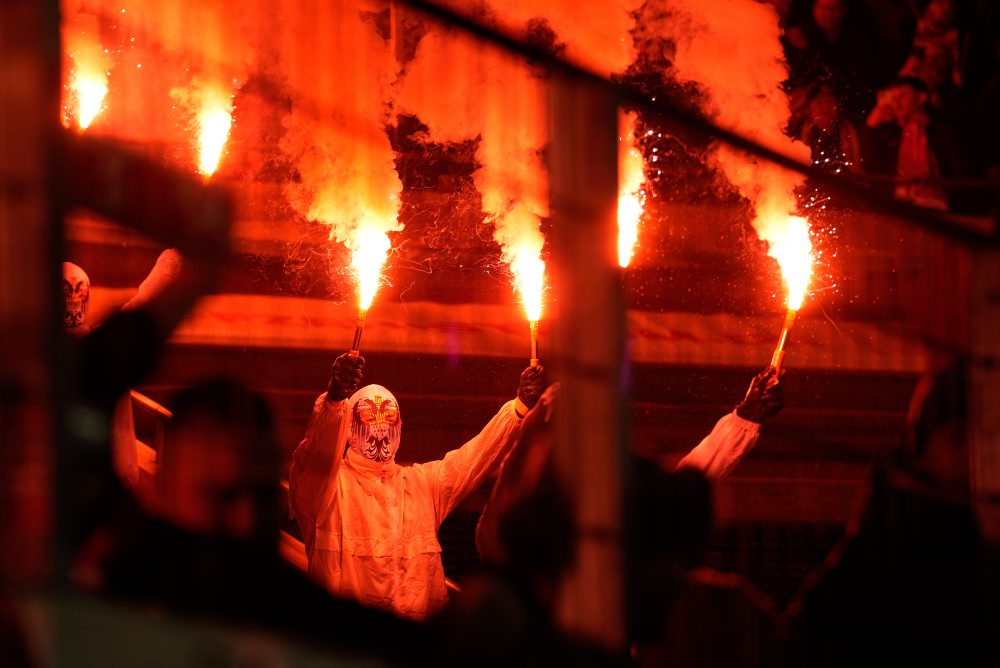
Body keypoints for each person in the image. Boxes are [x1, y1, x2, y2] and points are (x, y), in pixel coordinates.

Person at [288, 353, 546, 621]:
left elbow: (476, 455)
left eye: (388, 415)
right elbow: (316, 455)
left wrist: (519, 407)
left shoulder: (422, 485)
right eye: (368, 414)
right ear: (349, 427)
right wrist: (334, 400)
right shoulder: (327, 491)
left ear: (400, 426)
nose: (380, 425)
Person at [784, 361, 983, 668]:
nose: (976, 453)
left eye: (989, 437)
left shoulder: (891, 528)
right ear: (923, 449)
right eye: (960, 435)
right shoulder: (890, 542)